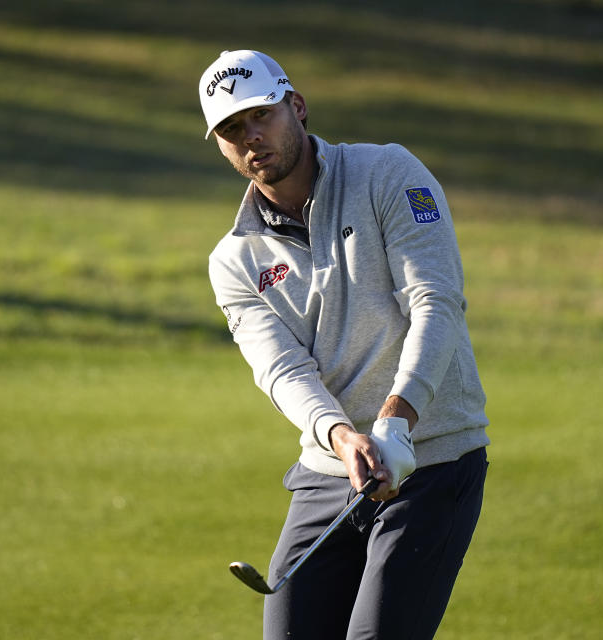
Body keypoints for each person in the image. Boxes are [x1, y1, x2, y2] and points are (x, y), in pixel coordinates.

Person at [200, 49, 490, 640]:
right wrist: (340, 435)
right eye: (232, 129)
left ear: (297, 107)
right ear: (222, 146)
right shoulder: (235, 260)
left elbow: (435, 302)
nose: (251, 136)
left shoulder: (387, 173)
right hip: (330, 470)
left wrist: (398, 417)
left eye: (261, 114)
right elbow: (282, 370)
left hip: (432, 458)